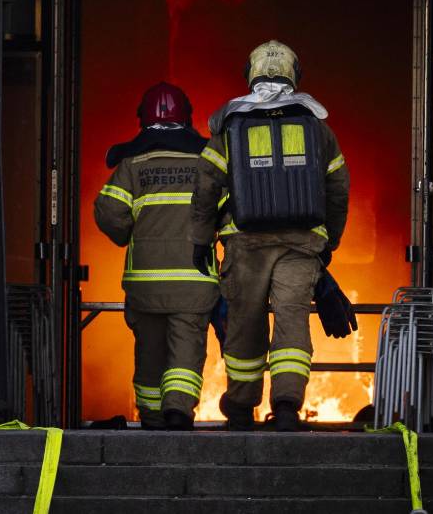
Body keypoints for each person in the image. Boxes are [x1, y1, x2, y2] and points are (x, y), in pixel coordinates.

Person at [189, 40, 350, 432]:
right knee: (293, 323)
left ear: (252, 73)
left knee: (245, 323)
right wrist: (330, 241)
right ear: (295, 75)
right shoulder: (316, 126)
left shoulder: (231, 124)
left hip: (246, 243)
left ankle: (242, 408)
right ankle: (288, 406)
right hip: (300, 244)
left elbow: (207, 184)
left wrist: (200, 237)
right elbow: (338, 187)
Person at [94, 82, 219, 431]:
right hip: (194, 283)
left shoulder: (132, 165)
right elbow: (229, 212)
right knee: (185, 352)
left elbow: (109, 214)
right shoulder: (206, 164)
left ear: (143, 120)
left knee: (149, 354)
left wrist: (128, 235)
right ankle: (178, 411)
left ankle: (151, 419)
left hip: (146, 285)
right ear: (188, 118)